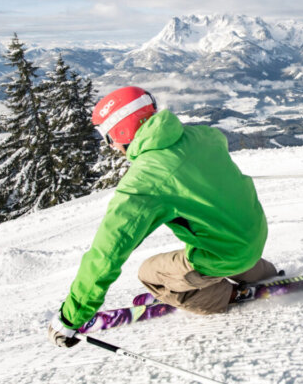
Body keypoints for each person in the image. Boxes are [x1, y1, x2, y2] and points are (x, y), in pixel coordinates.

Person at [48, 86, 278, 348]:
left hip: (227, 253)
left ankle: (228, 295)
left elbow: (107, 252)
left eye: (108, 137)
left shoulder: (145, 181)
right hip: (254, 231)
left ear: (122, 130)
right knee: (213, 240)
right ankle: (264, 273)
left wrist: (70, 317)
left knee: (150, 273)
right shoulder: (202, 135)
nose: (111, 146)